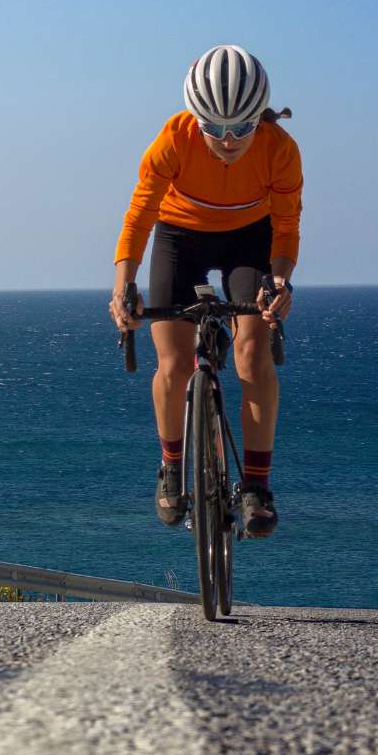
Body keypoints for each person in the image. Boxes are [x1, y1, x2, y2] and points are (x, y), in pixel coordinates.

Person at [109, 45, 303, 538]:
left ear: (259, 118)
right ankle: (172, 469)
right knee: (172, 362)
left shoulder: (279, 149)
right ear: (196, 118)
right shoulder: (173, 139)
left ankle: (257, 486)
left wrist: (279, 281)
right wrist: (122, 290)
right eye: (214, 128)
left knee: (251, 352)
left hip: (249, 238)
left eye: (241, 127)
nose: (228, 140)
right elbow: (140, 216)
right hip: (180, 234)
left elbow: (285, 226)